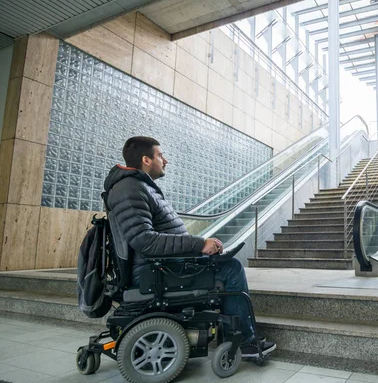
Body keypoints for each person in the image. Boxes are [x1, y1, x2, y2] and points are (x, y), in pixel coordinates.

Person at [103, 136, 275, 358]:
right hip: (153, 273)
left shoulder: (138, 186)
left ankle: (234, 336)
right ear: (146, 159)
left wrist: (199, 248)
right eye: (160, 156)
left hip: (163, 266)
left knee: (223, 263)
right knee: (231, 269)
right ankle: (244, 343)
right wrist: (199, 245)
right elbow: (145, 240)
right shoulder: (130, 188)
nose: (165, 161)